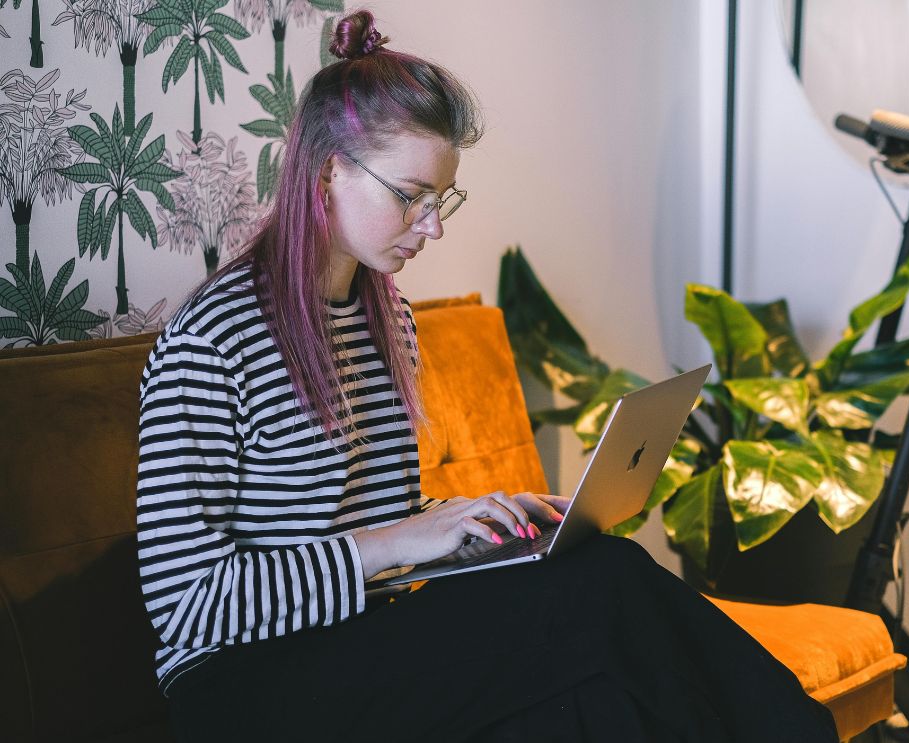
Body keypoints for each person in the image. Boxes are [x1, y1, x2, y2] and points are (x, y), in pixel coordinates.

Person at [136, 10, 839, 742]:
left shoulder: (384, 315)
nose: (431, 225)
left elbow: (383, 518)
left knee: (596, 675)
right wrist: (406, 538)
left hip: (360, 634)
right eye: (411, 195)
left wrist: (484, 523)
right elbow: (189, 604)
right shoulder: (213, 340)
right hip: (246, 682)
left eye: (441, 199)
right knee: (601, 588)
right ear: (328, 171)